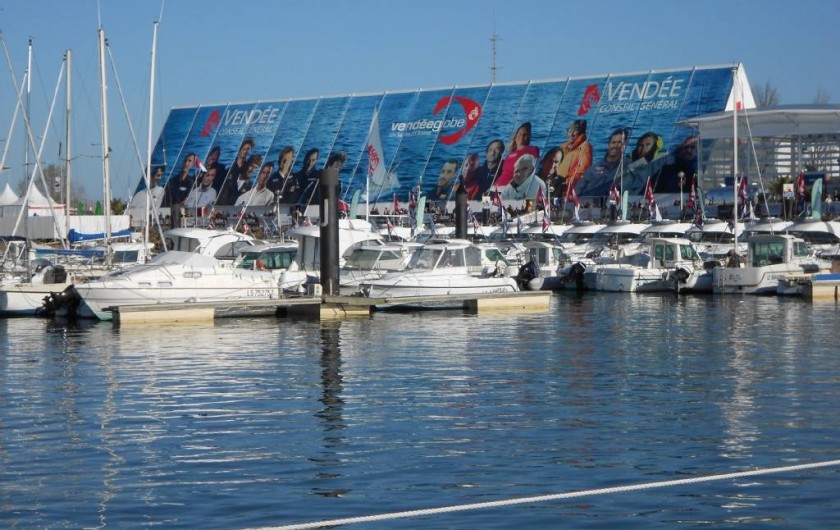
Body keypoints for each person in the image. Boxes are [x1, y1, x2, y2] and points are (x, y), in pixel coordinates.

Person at [575, 128, 631, 199]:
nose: (615, 145)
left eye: (619, 142)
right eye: (613, 142)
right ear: (609, 145)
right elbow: (577, 191)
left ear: (625, 145)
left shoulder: (629, 166)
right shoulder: (593, 168)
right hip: (586, 206)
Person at [496, 122, 540, 187]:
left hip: (508, 190)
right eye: (520, 133)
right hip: (496, 187)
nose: (522, 136)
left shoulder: (532, 150)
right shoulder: (510, 154)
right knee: (484, 197)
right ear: (516, 135)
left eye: (525, 134)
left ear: (528, 137)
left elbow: (532, 170)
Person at [555, 119, 593, 191]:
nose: (571, 134)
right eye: (569, 131)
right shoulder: (564, 147)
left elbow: (584, 170)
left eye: (575, 131)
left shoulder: (585, 147)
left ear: (581, 133)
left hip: (570, 187)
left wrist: (567, 182)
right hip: (557, 184)